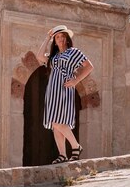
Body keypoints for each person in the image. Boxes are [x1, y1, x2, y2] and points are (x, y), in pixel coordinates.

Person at [36, 25, 94, 164]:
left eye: (62, 36)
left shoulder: (74, 52)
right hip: (52, 90)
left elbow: (89, 66)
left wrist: (76, 80)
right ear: (55, 40)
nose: (60, 39)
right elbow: (39, 56)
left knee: (58, 121)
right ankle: (62, 155)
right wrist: (47, 37)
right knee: (55, 123)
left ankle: (75, 146)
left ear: (67, 38)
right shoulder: (54, 56)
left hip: (64, 88)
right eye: (57, 37)